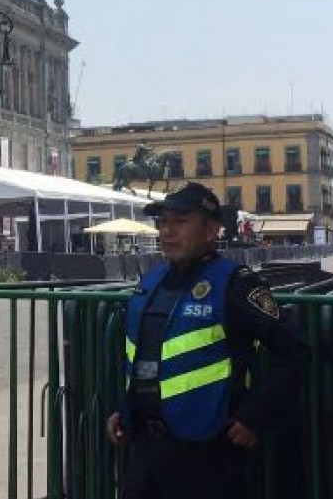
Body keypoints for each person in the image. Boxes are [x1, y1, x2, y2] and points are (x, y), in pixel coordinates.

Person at [105, 182, 311, 499]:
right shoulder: (150, 282)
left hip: (207, 455)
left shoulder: (236, 284)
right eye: (162, 222)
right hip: (145, 450)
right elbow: (146, 358)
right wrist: (126, 409)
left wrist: (255, 417)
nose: (167, 232)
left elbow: (294, 350)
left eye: (180, 221)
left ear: (212, 230)